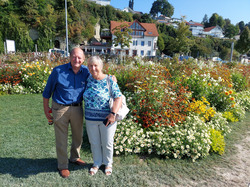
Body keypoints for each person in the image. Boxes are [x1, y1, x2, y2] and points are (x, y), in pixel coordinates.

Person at [43, 47, 89, 178]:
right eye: (74, 56)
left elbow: (98, 77)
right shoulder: (58, 71)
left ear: (83, 59)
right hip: (60, 108)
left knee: (78, 136)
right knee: (61, 138)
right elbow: (47, 93)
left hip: (78, 108)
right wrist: (46, 110)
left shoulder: (86, 72)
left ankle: (75, 157)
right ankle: (62, 165)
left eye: (79, 57)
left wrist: (111, 79)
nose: (77, 59)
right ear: (69, 57)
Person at [83, 56, 122, 176]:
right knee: (94, 142)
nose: (93, 68)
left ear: (101, 66)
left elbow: (118, 97)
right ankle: (97, 163)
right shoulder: (88, 78)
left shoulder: (109, 80)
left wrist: (113, 114)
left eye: (95, 65)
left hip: (107, 119)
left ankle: (108, 163)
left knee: (107, 142)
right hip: (90, 118)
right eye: (90, 65)